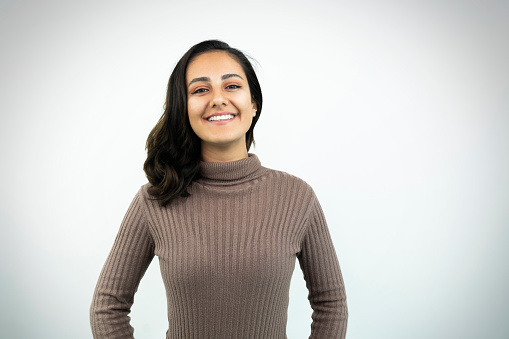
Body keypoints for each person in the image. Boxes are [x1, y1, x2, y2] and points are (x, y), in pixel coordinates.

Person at [90, 40, 348, 338]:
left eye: (232, 86)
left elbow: (331, 304)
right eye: (200, 90)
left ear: (254, 105)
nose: (217, 99)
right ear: (183, 109)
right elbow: (108, 306)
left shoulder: (297, 196)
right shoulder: (155, 198)